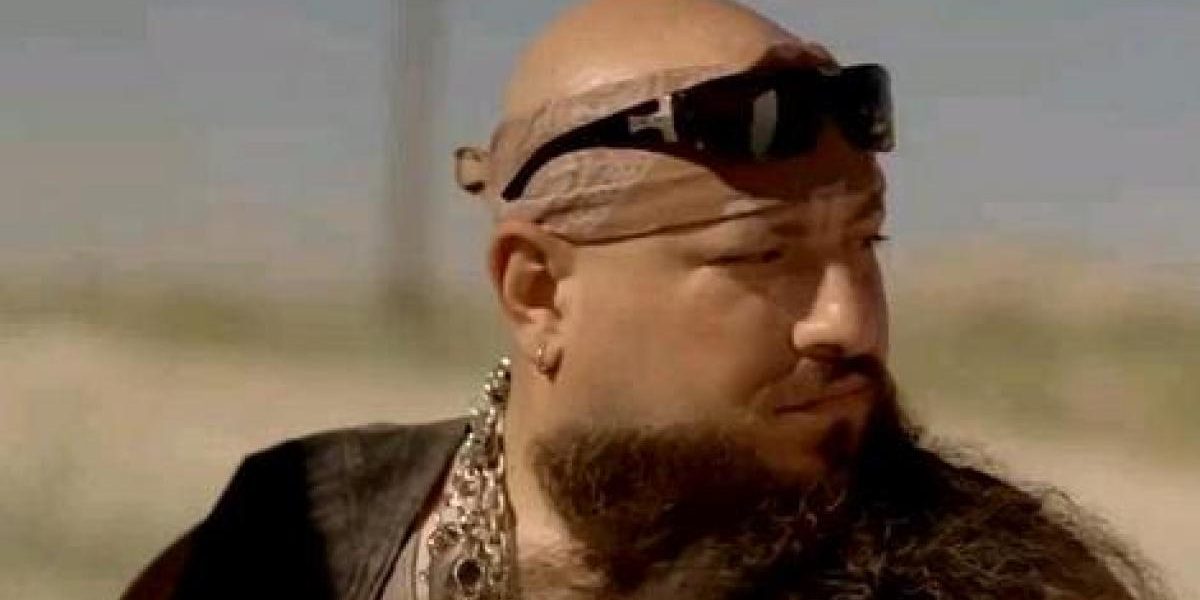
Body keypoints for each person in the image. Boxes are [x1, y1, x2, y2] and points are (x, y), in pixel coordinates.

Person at [123, 0, 1164, 598]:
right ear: (538, 292)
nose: (849, 323)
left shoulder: (992, 580)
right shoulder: (296, 543)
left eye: (866, 244)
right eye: (762, 258)